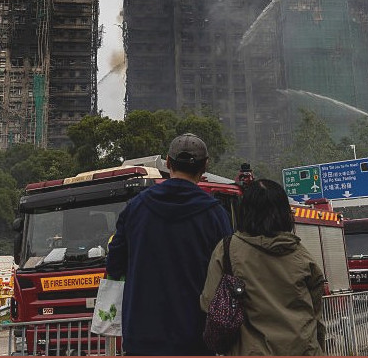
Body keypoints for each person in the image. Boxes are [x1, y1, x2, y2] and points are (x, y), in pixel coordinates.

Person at [106, 133, 232, 356]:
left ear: (168, 163)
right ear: (205, 166)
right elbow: (228, 271)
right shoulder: (215, 214)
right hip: (195, 339)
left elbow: (114, 265)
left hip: (142, 338)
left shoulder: (136, 207)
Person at [200, 179, 325, 355]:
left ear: (245, 211)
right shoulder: (301, 255)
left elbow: (208, 302)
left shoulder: (227, 249)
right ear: (285, 213)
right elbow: (316, 312)